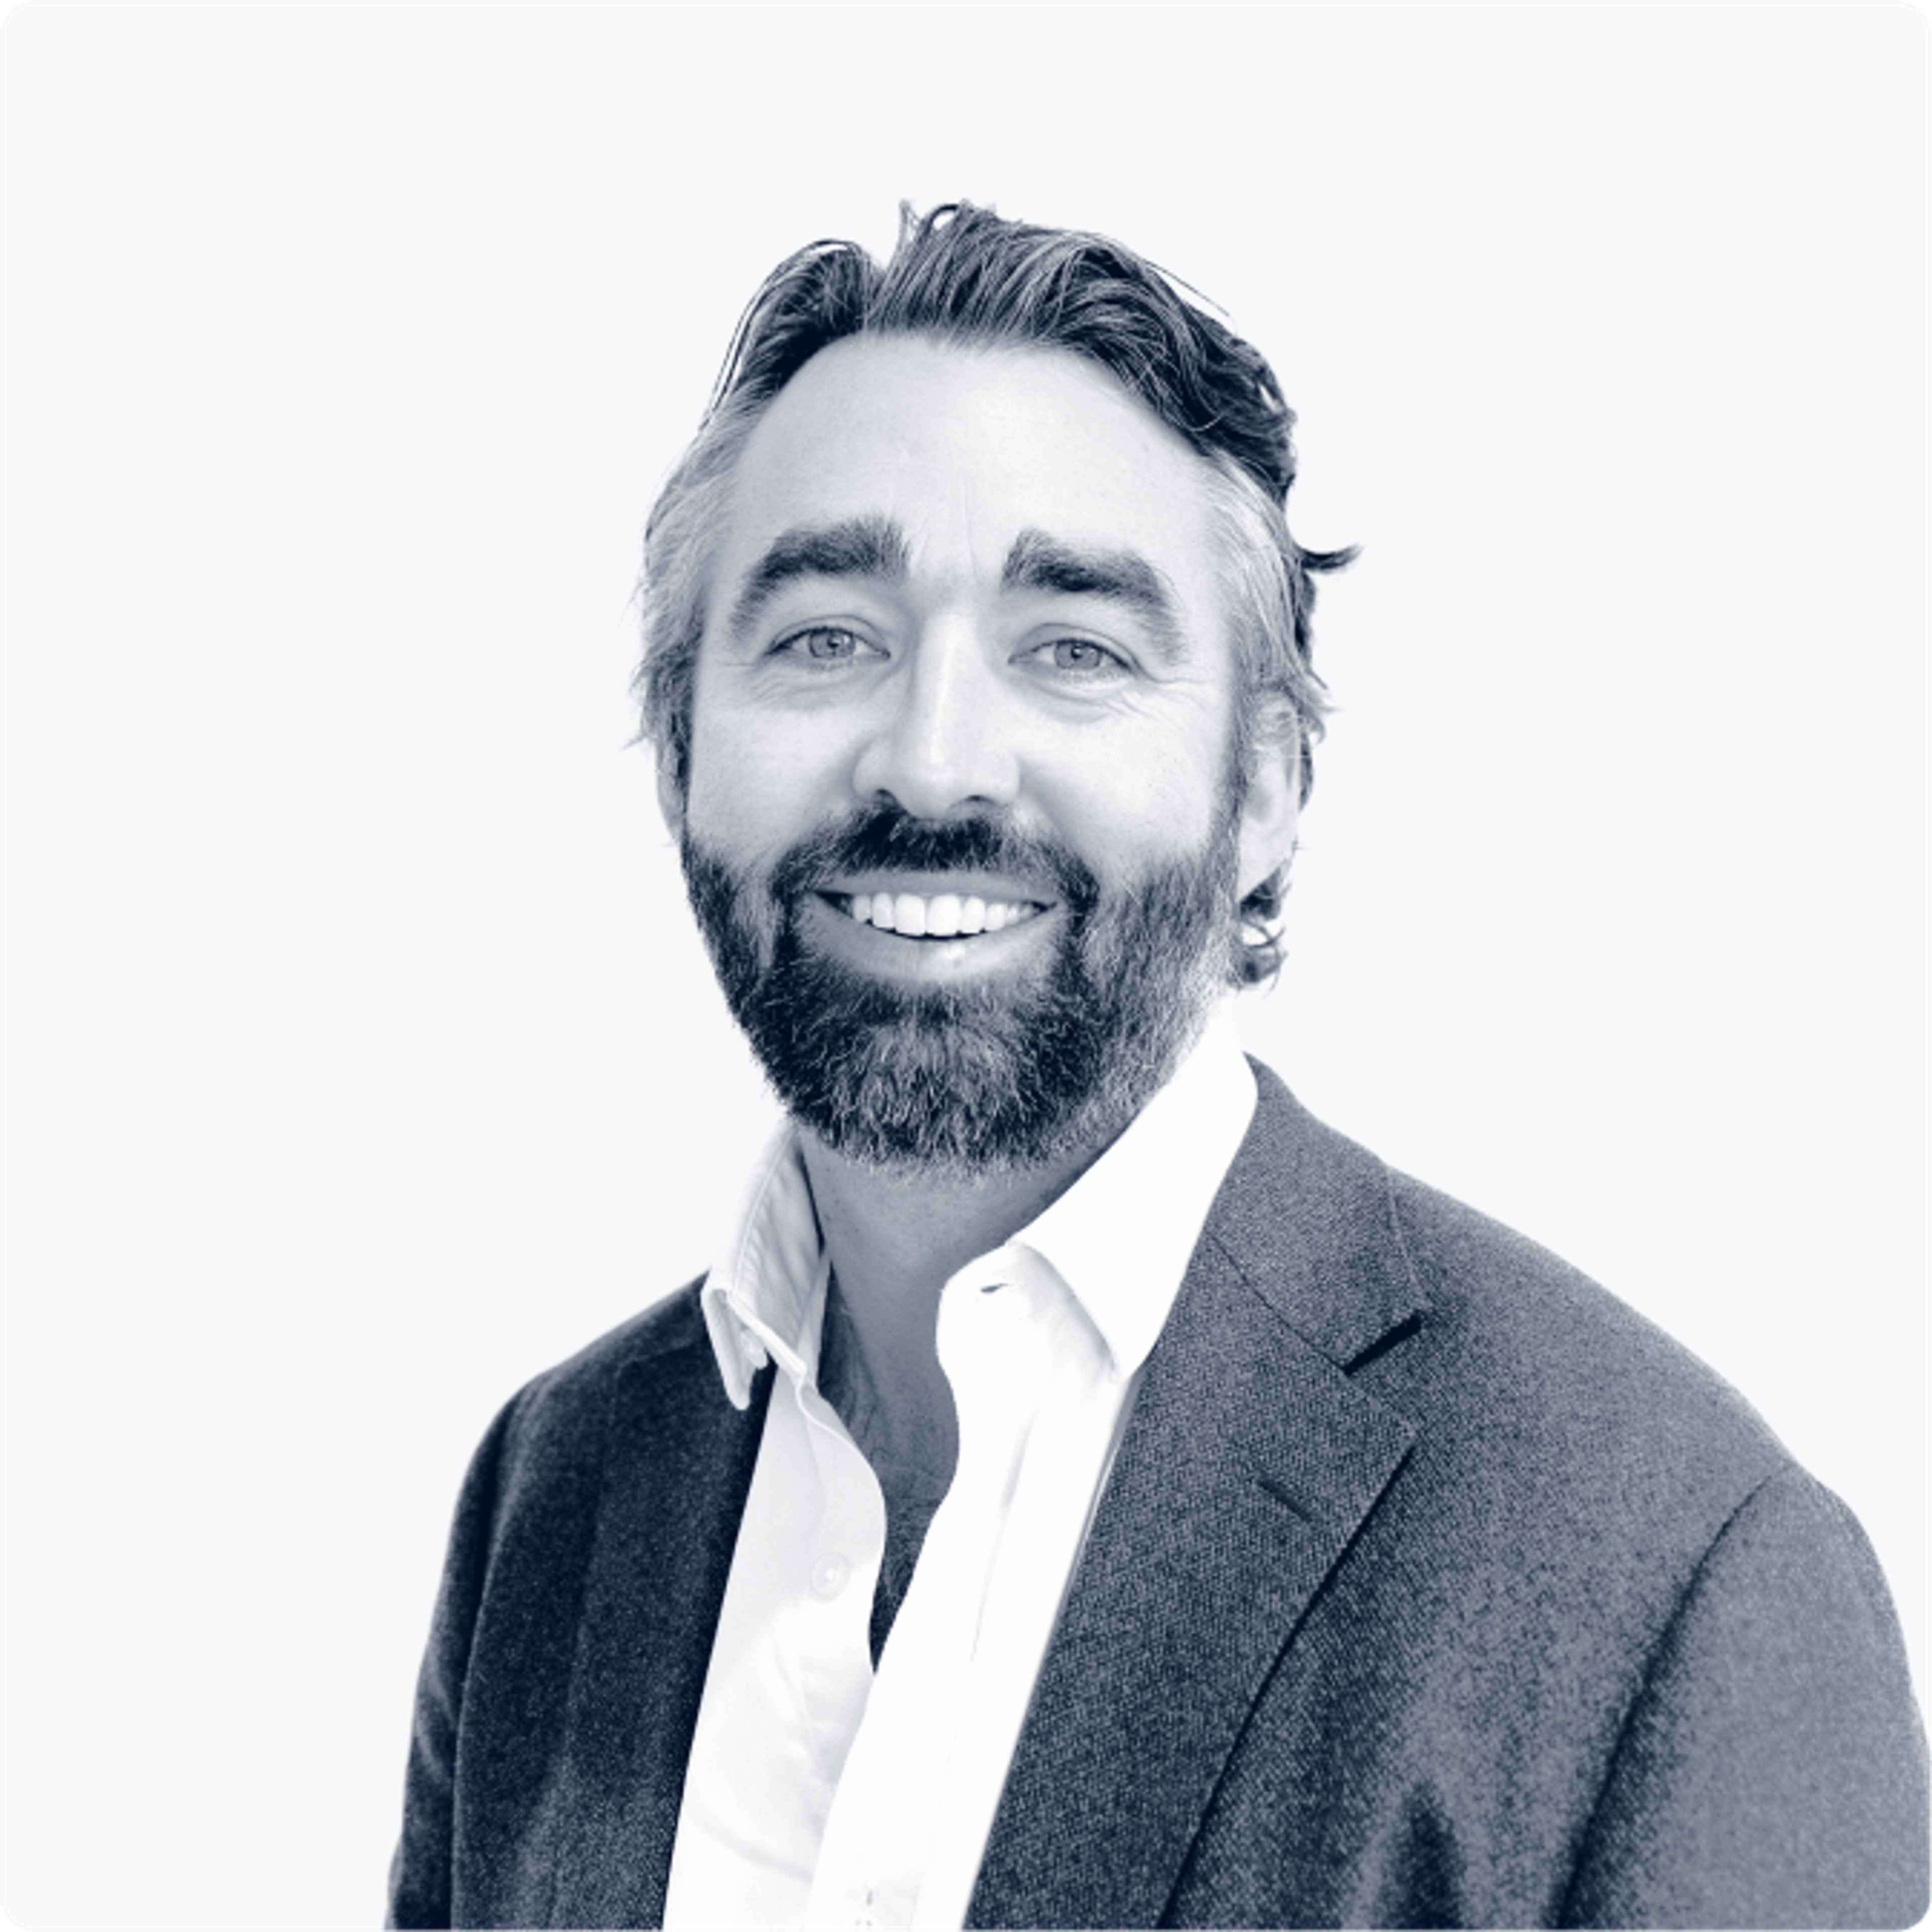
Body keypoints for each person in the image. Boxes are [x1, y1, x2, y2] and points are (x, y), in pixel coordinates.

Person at [386, 203, 1930, 1931]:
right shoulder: (555, 1494)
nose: (935, 761)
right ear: (681, 745)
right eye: (826, 636)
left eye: (1077, 650)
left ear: (1264, 792)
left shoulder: (1675, 1583)